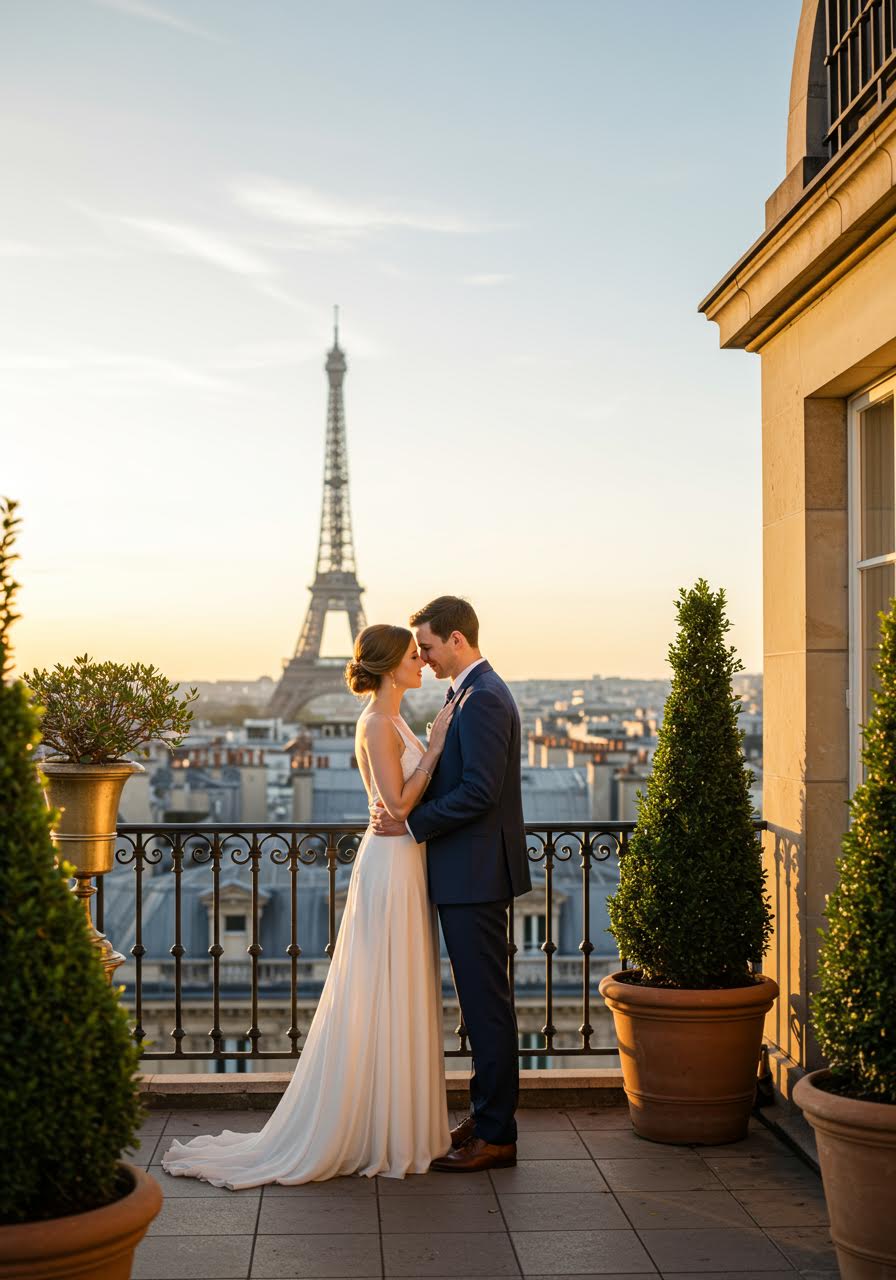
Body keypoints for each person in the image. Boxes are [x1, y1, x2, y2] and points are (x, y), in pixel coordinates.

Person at [161, 624, 456, 1187]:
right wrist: (436, 747)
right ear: (390, 665)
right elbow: (394, 803)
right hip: (391, 861)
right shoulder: (375, 722)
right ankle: (381, 1128)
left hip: (403, 857)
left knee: (393, 985)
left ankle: (392, 1124)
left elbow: (403, 804)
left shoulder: (391, 719)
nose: (421, 661)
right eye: (413, 656)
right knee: (383, 985)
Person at [371, 595, 531, 1172]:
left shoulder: (483, 698)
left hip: (475, 874)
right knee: (480, 1003)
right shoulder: (468, 692)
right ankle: (487, 1118)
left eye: (430, 647)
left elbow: (480, 792)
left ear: (457, 640)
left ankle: (497, 1134)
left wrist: (411, 822)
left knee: (486, 1006)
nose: (425, 657)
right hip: (468, 870)